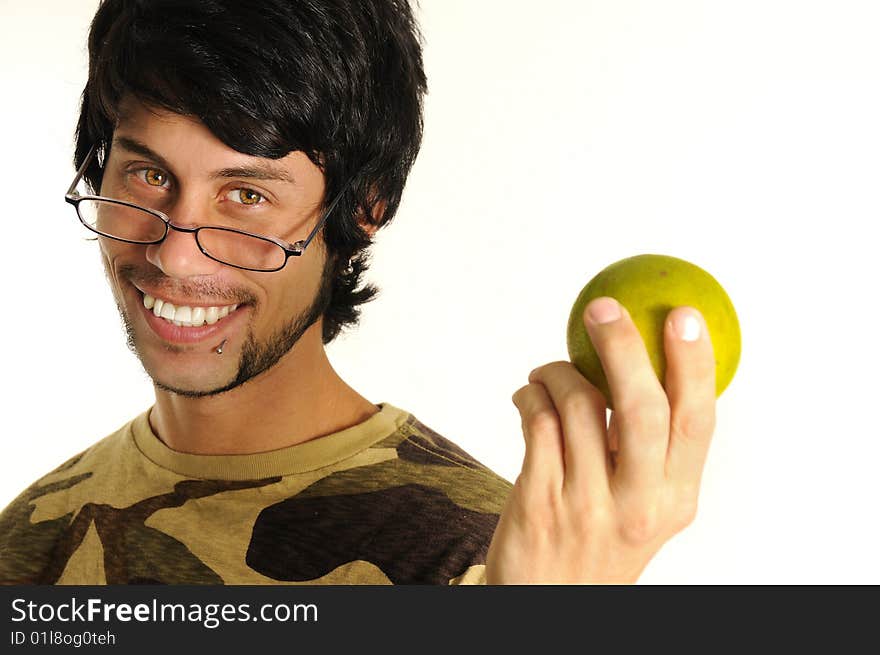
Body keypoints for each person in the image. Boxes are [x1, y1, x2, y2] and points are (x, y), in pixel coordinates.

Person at [0, 0, 717, 585]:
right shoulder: (26, 544)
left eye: (245, 194)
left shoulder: (484, 561)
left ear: (365, 208)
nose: (177, 253)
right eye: (149, 175)